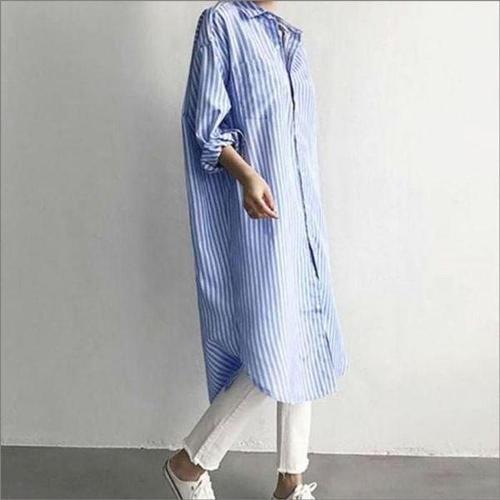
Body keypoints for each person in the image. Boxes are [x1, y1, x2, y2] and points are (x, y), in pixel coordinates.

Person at [164, 1, 348, 498]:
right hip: (258, 214)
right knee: (276, 344)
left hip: (301, 217)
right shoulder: (222, 24)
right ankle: (189, 463)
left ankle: (290, 481)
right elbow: (204, 123)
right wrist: (247, 175)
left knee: (302, 337)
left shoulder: (288, 39)